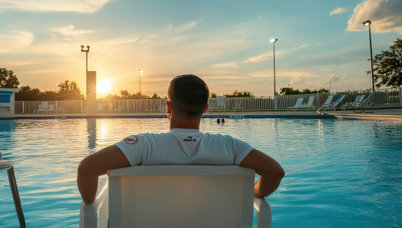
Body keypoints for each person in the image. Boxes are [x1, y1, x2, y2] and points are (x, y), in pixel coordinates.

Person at [77, 74, 285, 204]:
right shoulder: (229, 147)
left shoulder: (143, 146)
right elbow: (275, 172)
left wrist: (90, 203)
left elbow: (87, 169)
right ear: (205, 109)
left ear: (168, 107)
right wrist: (254, 193)